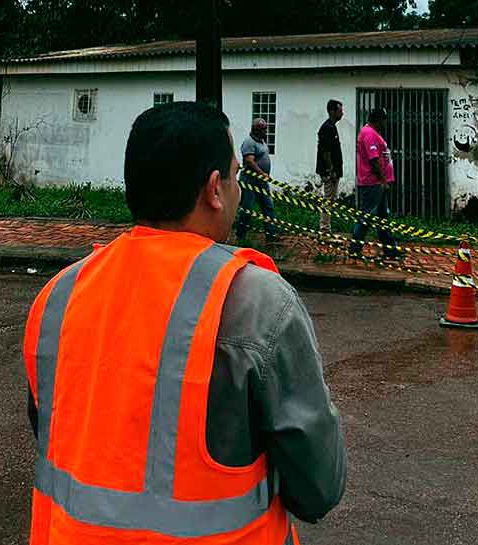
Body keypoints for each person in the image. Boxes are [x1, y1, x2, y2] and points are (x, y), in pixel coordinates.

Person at [22, 102, 346, 545]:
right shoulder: (257, 305)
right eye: (234, 175)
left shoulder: (57, 297)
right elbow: (318, 489)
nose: (236, 187)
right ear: (215, 189)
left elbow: (57, 435)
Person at [349, 108, 401, 259]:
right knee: (367, 216)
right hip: (373, 183)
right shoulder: (369, 134)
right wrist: (383, 180)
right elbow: (373, 160)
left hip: (377, 183)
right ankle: (354, 248)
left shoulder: (371, 133)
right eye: (384, 120)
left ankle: (390, 250)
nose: (385, 123)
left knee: (382, 218)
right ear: (378, 119)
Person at [236, 118, 278, 243]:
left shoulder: (262, 142)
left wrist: (263, 176)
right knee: (247, 209)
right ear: (256, 130)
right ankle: (240, 236)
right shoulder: (249, 142)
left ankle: (271, 236)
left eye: (266, 128)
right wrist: (262, 173)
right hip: (250, 182)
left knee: (268, 207)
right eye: (263, 129)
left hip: (261, 182)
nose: (266, 131)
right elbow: (249, 161)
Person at [316, 99, 344, 233]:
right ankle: (324, 229)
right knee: (328, 199)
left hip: (333, 170)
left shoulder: (331, 126)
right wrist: (330, 169)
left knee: (331, 199)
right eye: (340, 111)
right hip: (330, 171)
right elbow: (326, 151)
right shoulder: (327, 128)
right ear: (332, 111)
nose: (342, 113)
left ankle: (327, 227)